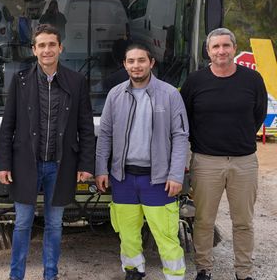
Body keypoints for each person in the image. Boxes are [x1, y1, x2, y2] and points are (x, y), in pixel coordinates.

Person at [0, 24, 95, 280]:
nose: (47, 50)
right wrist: (3, 164)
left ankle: (50, 275)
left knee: (53, 225)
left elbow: (85, 127)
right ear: (34, 50)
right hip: (25, 164)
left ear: (60, 47)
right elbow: (8, 126)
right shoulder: (20, 81)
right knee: (22, 224)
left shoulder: (77, 81)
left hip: (60, 165)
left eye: (52, 44)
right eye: (41, 45)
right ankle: (16, 276)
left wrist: (86, 165)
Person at [95, 43, 188, 280]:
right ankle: (134, 270)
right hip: (123, 178)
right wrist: (101, 169)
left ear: (151, 63)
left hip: (158, 179)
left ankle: (175, 274)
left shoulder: (169, 94)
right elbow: (105, 134)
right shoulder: (115, 94)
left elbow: (180, 136)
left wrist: (176, 174)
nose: (136, 66)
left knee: (165, 233)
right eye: (131, 61)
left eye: (141, 60)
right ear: (125, 65)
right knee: (127, 232)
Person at [180, 28, 267, 280]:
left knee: (243, 222)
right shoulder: (195, 81)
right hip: (206, 162)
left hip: (244, 162)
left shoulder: (252, 80)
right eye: (215, 46)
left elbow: (258, 115)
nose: (221, 51)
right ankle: (204, 269)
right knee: (204, 220)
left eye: (225, 46)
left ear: (234, 48)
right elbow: (185, 118)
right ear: (208, 51)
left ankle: (244, 272)